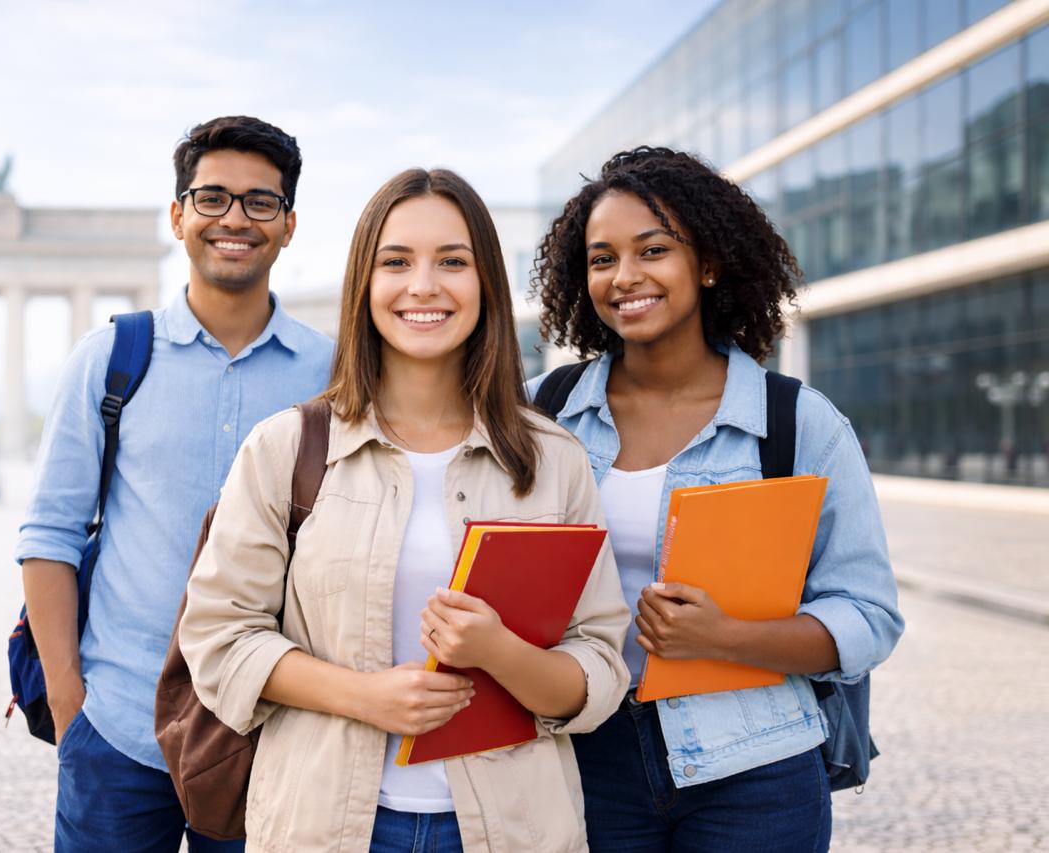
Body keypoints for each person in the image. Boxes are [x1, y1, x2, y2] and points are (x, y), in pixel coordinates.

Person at [179, 168, 628, 852]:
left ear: (486, 286)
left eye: (452, 260)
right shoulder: (284, 449)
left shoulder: (553, 460)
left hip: (512, 829)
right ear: (365, 282)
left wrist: (500, 652)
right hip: (325, 826)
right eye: (396, 262)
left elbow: (598, 665)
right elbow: (218, 639)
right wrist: (364, 697)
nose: (423, 284)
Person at [528, 146, 904, 852]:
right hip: (583, 754)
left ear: (707, 264)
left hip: (754, 764)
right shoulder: (544, 414)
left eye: (653, 249)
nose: (625, 276)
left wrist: (726, 637)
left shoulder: (796, 423)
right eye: (602, 257)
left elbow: (868, 614)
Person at [14, 116, 334, 852]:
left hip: (270, 732)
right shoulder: (113, 358)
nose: (234, 219)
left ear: (288, 225)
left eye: (260, 202)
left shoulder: (334, 374)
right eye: (212, 197)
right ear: (178, 215)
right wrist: (71, 704)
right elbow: (49, 534)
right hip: (118, 731)